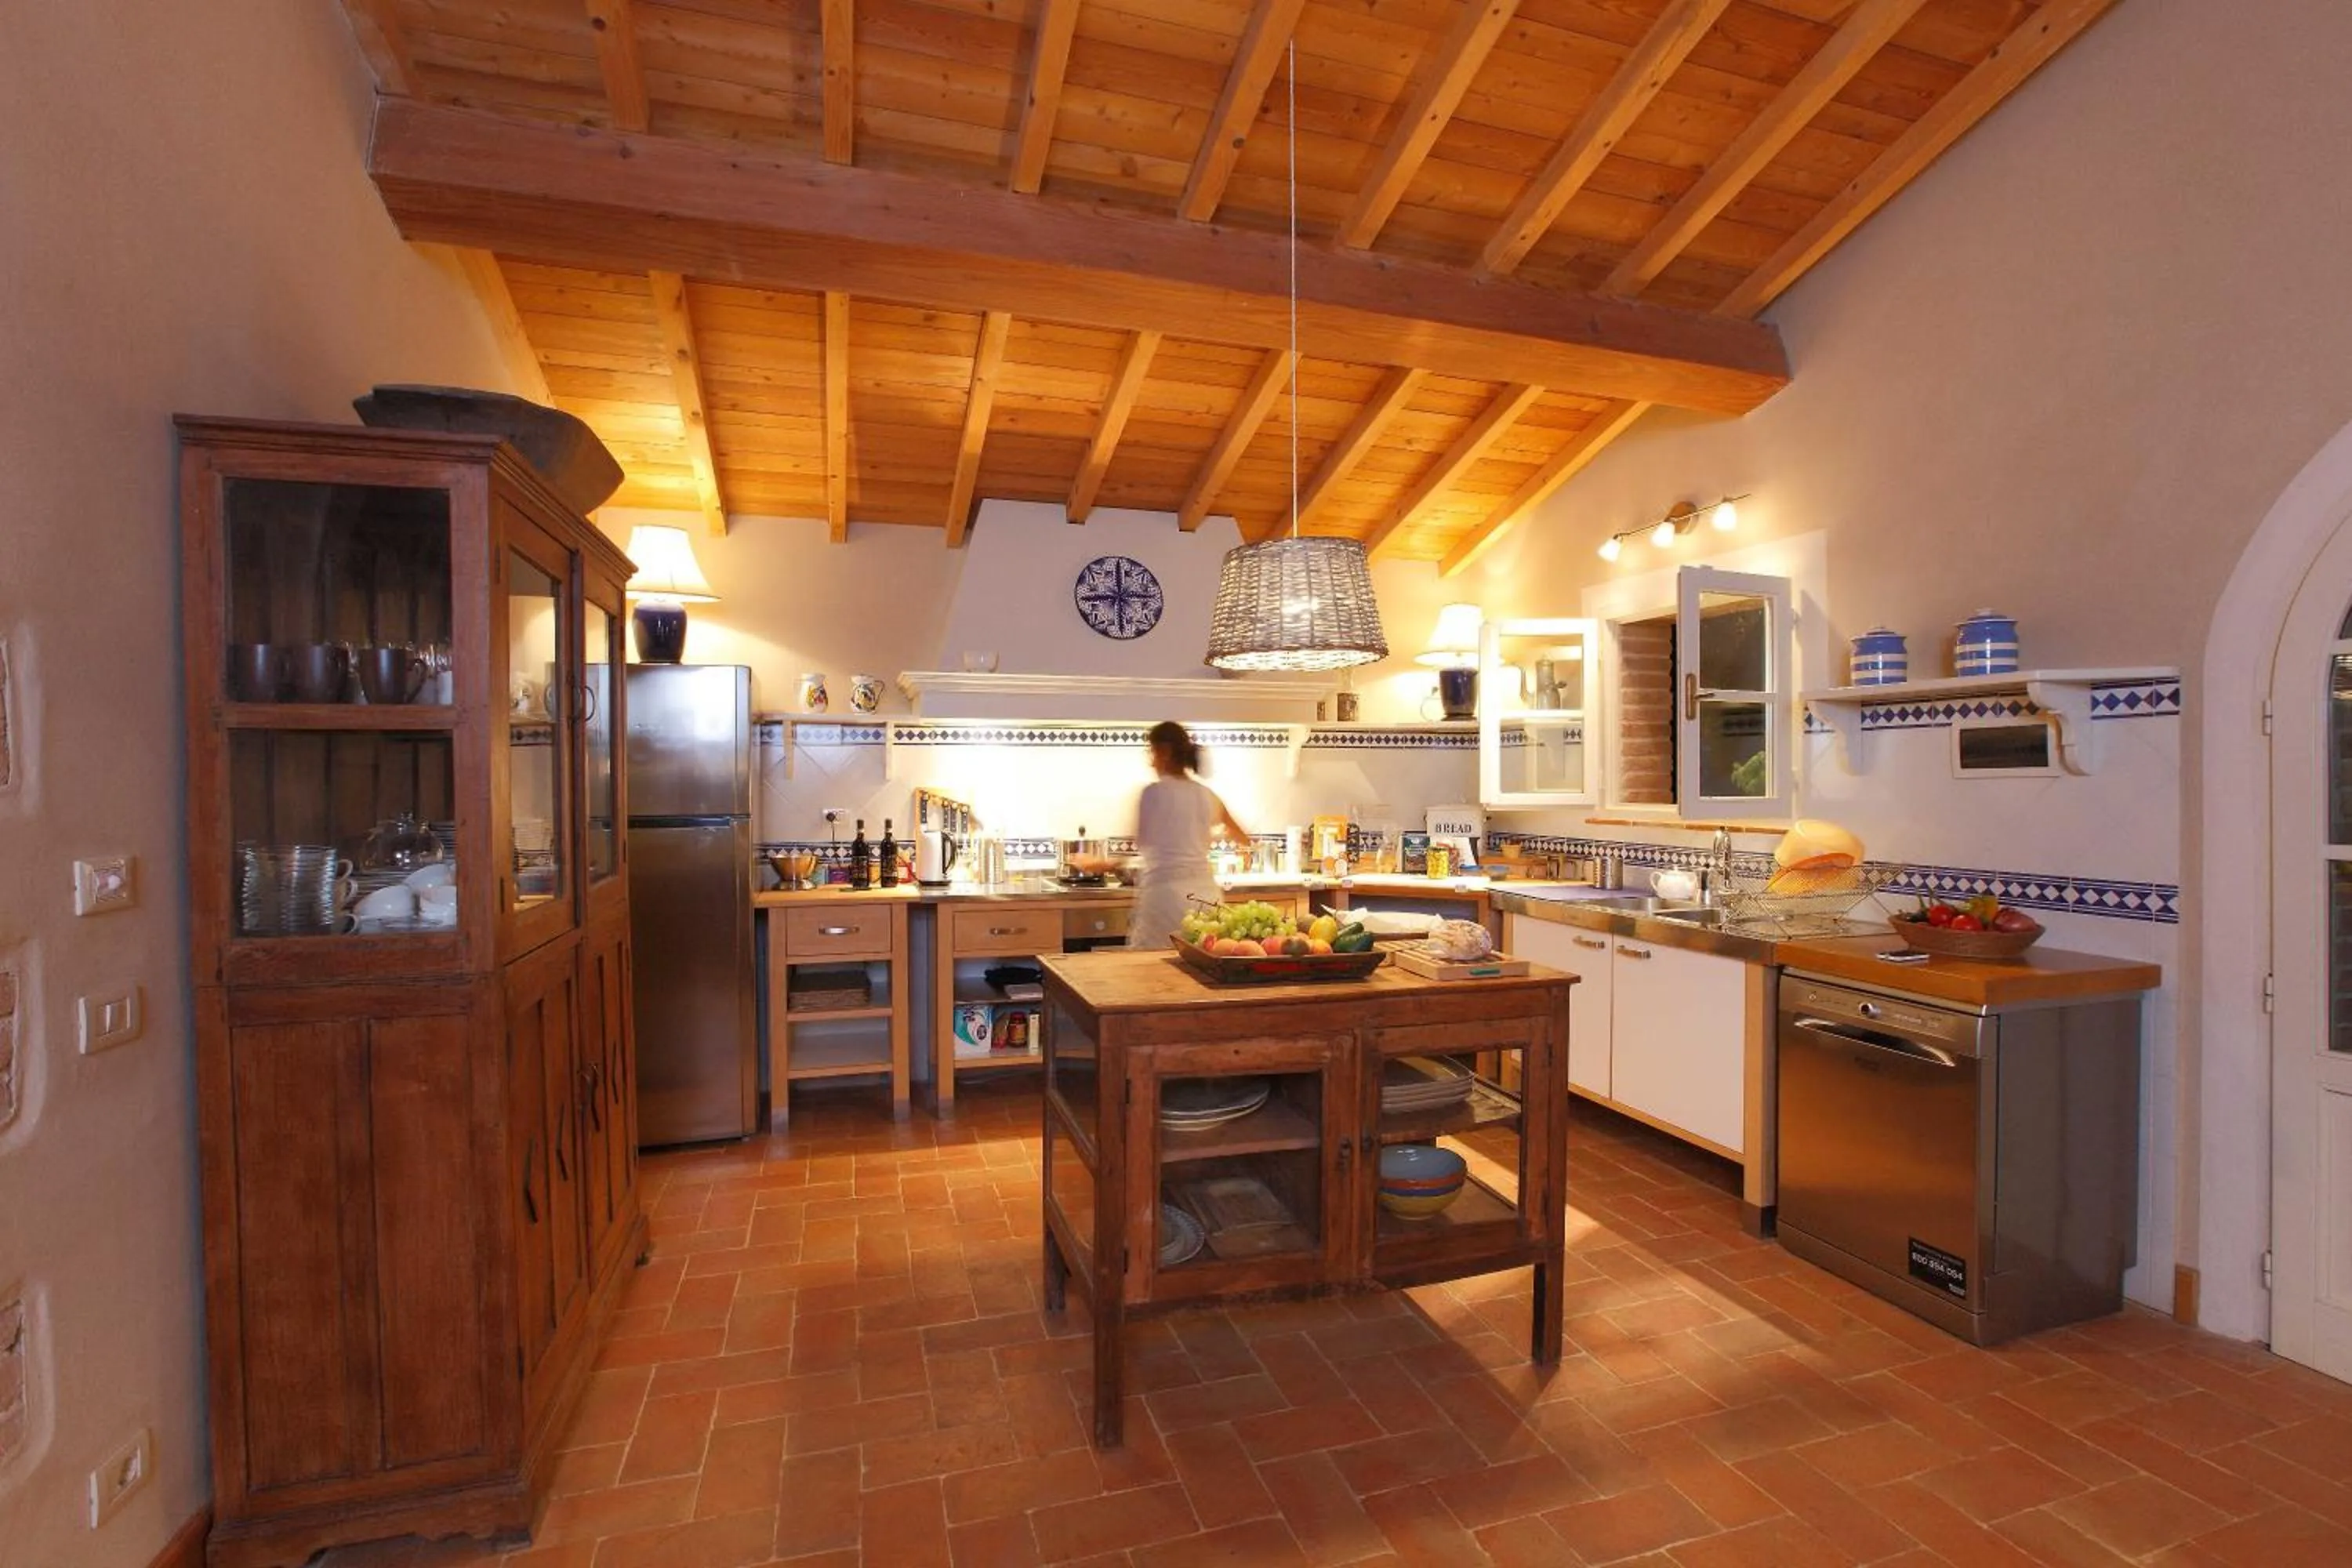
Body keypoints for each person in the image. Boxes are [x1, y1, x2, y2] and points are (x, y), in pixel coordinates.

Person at [1122, 720, 1248, 948]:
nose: (1151, 761)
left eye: (1151, 752)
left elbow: (1142, 843)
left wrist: (1102, 865)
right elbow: (1242, 836)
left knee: (1154, 970)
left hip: (1165, 898)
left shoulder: (1152, 794)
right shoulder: (1207, 794)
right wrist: (1208, 837)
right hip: (1207, 897)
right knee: (1203, 966)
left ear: (1164, 752)